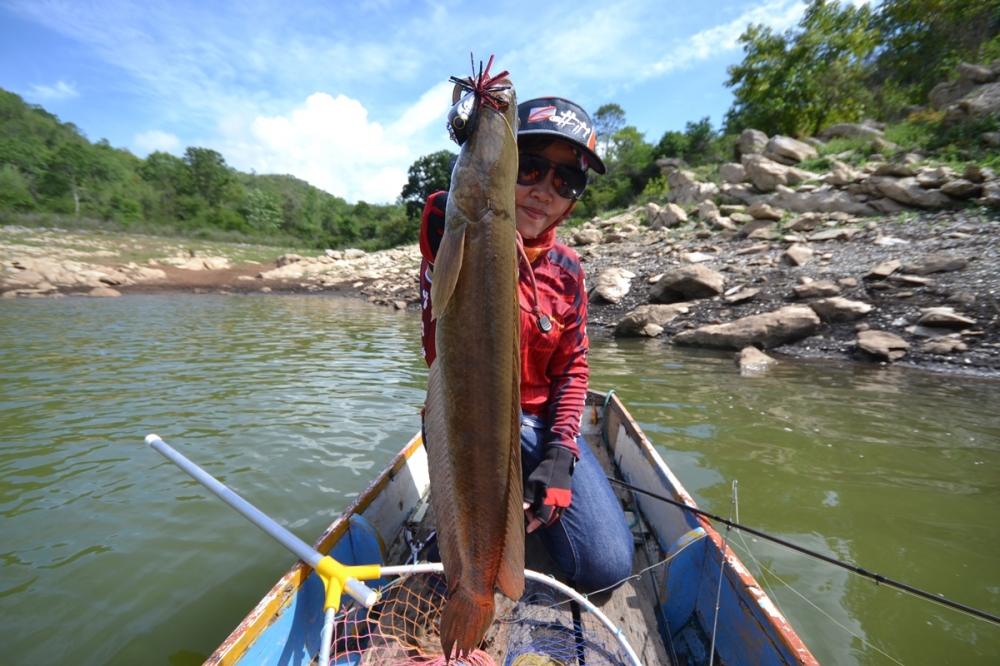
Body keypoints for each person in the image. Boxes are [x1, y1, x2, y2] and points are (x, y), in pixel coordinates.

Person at [418, 96, 633, 593]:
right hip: (469, 417)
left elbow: (573, 371)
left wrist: (560, 456)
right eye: (530, 169)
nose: (543, 191)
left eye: (566, 180)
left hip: (538, 427)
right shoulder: (454, 236)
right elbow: (438, 328)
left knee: (607, 566)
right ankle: (465, 540)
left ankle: (525, 512)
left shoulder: (569, 271)